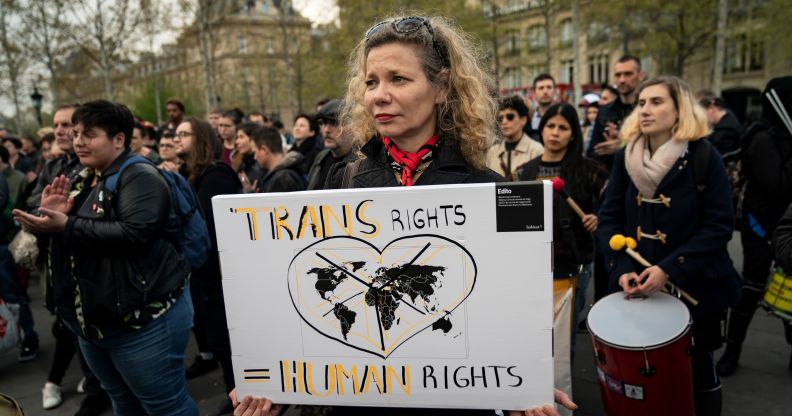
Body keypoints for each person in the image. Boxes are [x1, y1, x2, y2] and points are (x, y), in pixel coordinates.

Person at [231, 14, 576, 416]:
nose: (378, 95)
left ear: (442, 87)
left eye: (398, 79)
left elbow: (513, 307)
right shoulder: (345, 180)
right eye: (371, 82)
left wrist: (523, 383)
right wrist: (278, 386)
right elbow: (321, 295)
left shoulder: (491, 190)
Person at [13, 100, 197, 415]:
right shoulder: (88, 176)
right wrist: (51, 220)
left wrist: (68, 224)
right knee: (123, 402)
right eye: (76, 133)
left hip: (142, 321)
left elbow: (135, 235)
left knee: (165, 406)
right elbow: (77, 235)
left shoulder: (139, 175)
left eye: (89, 134)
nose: (78, 141)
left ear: (119, 140)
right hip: (95, 322)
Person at [597, 76, 742, 416]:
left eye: (657, 102)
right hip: (637, 286)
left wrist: (669, 268)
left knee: (699, 369)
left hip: (695, 285)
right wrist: (622, 268)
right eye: (642, 102)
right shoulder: (624, 158)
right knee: (641, 371)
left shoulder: (705, 157)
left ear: (679, 111)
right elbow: (609, 218)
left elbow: (719, 225)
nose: (645, 109)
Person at [28, 104, 111, 415]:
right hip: (57, 264)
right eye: (57, 125)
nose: (62, 132)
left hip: (91, 271)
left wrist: (61, 216)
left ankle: (96, 390)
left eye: (70, 127)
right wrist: (45, 212)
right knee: (68, 326)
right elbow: (34, 202)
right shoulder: (53, 165)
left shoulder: (94, 167)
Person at [716, 76, 792, 376]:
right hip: (759, 227)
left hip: (786, 226)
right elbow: (779, 184)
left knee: (788, 287)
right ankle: (732, 350)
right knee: (752, 287)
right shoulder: (761, 137)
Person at [516, 103, 607, 344]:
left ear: (573, 134)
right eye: (550, 126)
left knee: (563, 345)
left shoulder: (588, 170)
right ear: (542, 129)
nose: (555, 133)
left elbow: (616, 204)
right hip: (532, 266)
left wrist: (600, 217)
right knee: (534, 338)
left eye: (563, 128)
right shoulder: (524, 172)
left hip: (572, 265)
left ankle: (563, 384)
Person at [172, 117, 242, 414]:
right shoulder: (191, 175)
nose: (176, 139)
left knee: (229, 341)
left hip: (222, 277)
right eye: (175, 134)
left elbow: (217, 229)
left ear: (200, 139)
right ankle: (233, 391)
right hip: (205, 277)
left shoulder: (217, 176)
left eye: (183, 134)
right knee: (216, 338)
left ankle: (240, 393)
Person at [586, 55, 646, 170]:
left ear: (640, 75)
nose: (622, 80)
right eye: (618, 75)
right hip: (612, 177)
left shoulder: (647, 110)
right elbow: (592, 153)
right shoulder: (604, 111)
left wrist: (622, 146)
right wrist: (608, 150)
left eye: (628, 74)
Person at [487, 96, 544, 180]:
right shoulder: (492, 152)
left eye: (510, 117)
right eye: (500, 118)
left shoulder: (536, 150)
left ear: (523, 120)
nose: (504, 122)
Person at [307, 99, 357, 190]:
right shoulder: (320, 159)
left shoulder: (361, 163)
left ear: (352, 126)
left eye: (335, 123)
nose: (326, 130)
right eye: (323, 123)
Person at [252, 126, 305, 193]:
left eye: (255, 152)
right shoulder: (283, 174)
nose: (255, 157)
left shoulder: (282, 178)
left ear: (264, 150)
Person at [697, 90, 743, 156]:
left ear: (712, 108)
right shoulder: (728, 117)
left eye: (702, 112)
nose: (702, 117)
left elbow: (712, 156)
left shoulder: (725, 130)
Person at [233, 122, 264, 193]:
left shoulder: (261, 165)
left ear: (253, 139)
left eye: (241, 137)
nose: (237, 141)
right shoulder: (240, 164)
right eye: (237, 138)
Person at [527, 74, 558, 141]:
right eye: (541, 88)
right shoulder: (528, 119)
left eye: (549, 87)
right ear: (534, 93)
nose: (545, 91)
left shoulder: (563, 116)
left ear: (555, 91)